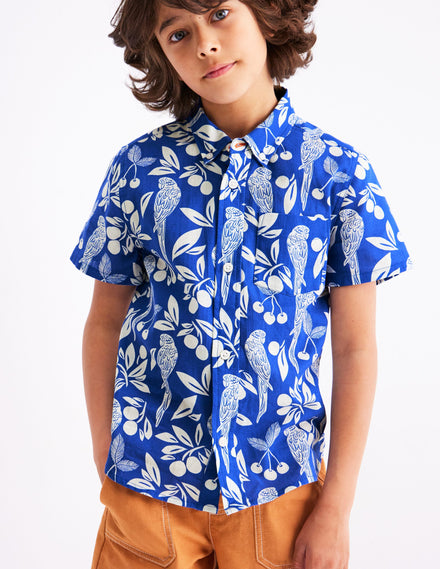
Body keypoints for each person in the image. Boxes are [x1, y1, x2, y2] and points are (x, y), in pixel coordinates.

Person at [70, 1, 411, 568]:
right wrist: (107, 455)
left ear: (267, 15)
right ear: (162, 54)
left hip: (282, 490)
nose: (205, 43)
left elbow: (355, 348)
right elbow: (104, 321)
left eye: (221, 13)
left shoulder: (338, 172)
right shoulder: (139, 168)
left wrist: (335, 508)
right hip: (148, 483)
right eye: (178, 33)